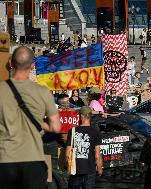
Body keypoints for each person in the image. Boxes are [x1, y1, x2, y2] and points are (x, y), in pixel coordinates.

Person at [0, 46, 61, 189]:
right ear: (33, 65)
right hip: (32, 160)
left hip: (5, 160)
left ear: (11, 63)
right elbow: (56, 127)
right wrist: (41, 123)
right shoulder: (43, 92)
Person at [66, 106, 103, 189]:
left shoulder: (72, 131)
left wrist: (67, 166)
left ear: (81, 116)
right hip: (90, 171)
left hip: (75, 171)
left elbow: (67, 153)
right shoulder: (95, 132)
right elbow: (97, 156)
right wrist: (100, 169)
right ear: (90, 116)